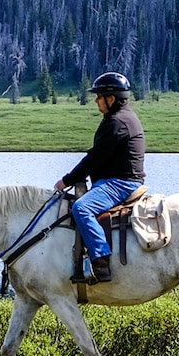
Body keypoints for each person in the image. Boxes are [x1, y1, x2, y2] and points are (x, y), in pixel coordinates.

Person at [55, 71, 145, 284]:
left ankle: (100, 259)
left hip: (121, 183)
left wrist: (66, 180)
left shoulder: (117, 122)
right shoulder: (120, 118)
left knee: (82, 208)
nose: (96, 100)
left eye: (99, 96)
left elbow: (95, 158)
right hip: (116, 180)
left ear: (111, 99)